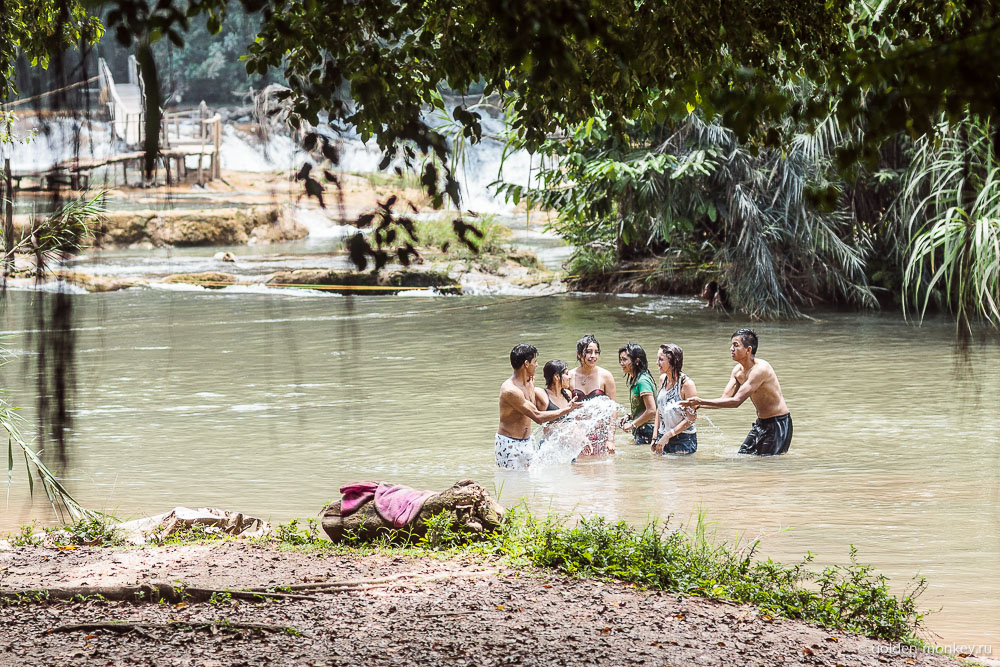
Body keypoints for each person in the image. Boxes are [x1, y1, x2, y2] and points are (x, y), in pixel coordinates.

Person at [680, 328, 792, 456]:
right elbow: (724, 400)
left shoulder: (760, 369)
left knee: (766, 463)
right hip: (761, 423)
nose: (731, 349)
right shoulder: (737, 371)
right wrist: (696, 405)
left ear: (748, 350)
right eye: (731, 345)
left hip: (778, 424)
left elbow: (736, 402)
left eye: (736, 345)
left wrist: (700, 401)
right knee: (743, 456)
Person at [497, 344, 581, 469]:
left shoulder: (530, 382)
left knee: (530, 479)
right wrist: (567, 410)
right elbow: (537, 416)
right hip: (509, 442)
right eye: (535, 361)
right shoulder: (510, 390)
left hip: (527, 441)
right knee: (511, 479)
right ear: (526, 364)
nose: (537, 365)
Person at [568, 334, 618, 455]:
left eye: (596, 352)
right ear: (579, 354)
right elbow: (566, 410)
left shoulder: (606, 376)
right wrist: (577, 434)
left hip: (601, 433)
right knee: (579, 466)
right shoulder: (569, 376)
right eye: (589, 352)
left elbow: (613, 409)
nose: (593, 356)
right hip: (578, 435)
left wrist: (610, 439)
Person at [651, 343, 698, 455]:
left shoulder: (686, 384)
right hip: (663, 435)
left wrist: (668, 435)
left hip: (683, 439)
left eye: (661, 359)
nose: (657, 363)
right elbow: (660, 409)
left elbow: (691, 418)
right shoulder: (663, 379)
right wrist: (654, 437)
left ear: (674, 362)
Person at [617, 343, 657, 445]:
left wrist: (632, 425)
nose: (621, 363)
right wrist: (629, 416)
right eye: (620, 360)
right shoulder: (635, 379)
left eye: (624, 359)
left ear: (637, 361)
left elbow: (651, 410)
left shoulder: (642, 381)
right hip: (643, 430)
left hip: (648, 431)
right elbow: (643, 408)